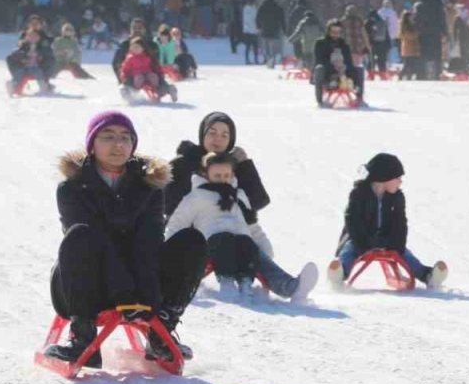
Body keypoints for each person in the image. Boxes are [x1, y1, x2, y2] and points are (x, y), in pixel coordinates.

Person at [45, 111, 207, 368]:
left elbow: (149, 241)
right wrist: (125, 293)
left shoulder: (149, 186)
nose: (118, 144)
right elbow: (97, 241)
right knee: (80, 236)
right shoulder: (72, 188)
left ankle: (162, 332)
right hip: (88, 283)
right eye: (108, 136)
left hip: (141, 281)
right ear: (92, 144)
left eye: (125, 138)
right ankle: (82, 336)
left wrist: (147, 295)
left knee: (192, 240)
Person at [165, 112, 317, 302]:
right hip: (192, 238)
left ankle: (290, 287)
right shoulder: (184, 162)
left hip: (232, 234)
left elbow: (257, 203)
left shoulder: (233, 166)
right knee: (226, 241)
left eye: (224, 135)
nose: (217, 139)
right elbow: (168, 207)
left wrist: (244, 166)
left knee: (247, 245)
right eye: (212, 132)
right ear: (202, 134)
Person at [327, 153, 449, 290]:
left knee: (405, 255)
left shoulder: (397, 197)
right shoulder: (359, 194)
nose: (400, 182)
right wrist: (363, 241)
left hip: (386, 240)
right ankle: (339, 274)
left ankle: (427, 275)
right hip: (360, 238)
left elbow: (400, 222)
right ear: (384, 177)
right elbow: (352, 219)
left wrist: (397, 243)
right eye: (398, 178)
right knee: (349, 251)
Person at [164, 151, 273, 299]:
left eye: (226, 175)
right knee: (224, 240)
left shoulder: (239, 196)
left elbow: (252, 226)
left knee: (247, 243)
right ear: (206, 174)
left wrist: (266, 249)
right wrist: (168, 250)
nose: (222, 179)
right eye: (217, 176)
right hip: (211, 245)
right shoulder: (197, 195)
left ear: (232, 175)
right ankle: (227, 283)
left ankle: (246, 283)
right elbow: (178, 222)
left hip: (240, 242)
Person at [313, 18, 365, 107]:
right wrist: (334, 70)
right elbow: (320, 60)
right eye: (333, 32)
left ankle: (359, 99)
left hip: (343, 74)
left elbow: (349, 62)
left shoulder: (344, 45)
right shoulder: (320, 43)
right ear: (328, 31)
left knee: (359, 69)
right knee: (319, 68)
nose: (336, 34)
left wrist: (346, 72)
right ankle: (320, 101)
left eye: (338, 32)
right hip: (327, 74)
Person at [119, 36, 178, 102]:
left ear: (143, 48)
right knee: (138, 78)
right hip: (136, 76)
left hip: (148, 74)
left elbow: (156, 66)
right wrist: (124, 77)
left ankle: (167, 89)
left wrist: (160, 74)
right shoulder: (130, 58)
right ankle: (128, 95)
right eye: (133, 47)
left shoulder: (148, 57)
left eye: (137, 47)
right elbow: (124, 69)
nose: (135, 49)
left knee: (153, 77)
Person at [6, 28, 55, 94]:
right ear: (26, 37)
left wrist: (40, 55)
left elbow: (49, 55)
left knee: (39, 74)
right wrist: (22, 56)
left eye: (35, 36)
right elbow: (14, 54)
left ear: (39, 37)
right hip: (24, 67)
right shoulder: (23, 45)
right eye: (30, 36)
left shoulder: (43, 46)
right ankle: (13, 86)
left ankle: (44, 87)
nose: (32, 38)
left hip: (37, 67)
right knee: (19, 75)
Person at [414, 0, 447, 80]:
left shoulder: (422, 4)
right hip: (436, 32)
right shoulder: (439, 4)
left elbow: (417, 18)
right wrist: (444, 31)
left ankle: (421, 75)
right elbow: (442, 18)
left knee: (423, 53)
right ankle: (437, 74)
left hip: (424, 32)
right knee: (437, 54)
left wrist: (418, 29)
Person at [256, 0, 286, 69]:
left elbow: (258, 17)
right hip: (275, 29)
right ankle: (273, 57)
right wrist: (284, 29)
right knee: (273, 45)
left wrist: (258, 26)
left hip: (265, 29)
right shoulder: (278, 7)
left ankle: (269, 58)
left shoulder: (262, 7)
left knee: (266, 45)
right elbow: (282, 19)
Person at [398, 10, 422, 80]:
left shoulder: (412, 24)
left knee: (411, 64)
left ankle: (409, 77)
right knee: (407, 64)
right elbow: (408, 35)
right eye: (410, 16)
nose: (412, 18)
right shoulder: (404, 25)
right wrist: (417, 34)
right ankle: (401, 75)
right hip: (408, 48)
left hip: (413, 48)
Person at [241, 0, 259, 64]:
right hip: (254, 30)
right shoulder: (254, 9)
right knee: (255, 46)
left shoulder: (245, 9)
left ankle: (247, 60)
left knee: (247, 46)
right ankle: (256, 60)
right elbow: (255, 19)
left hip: (247, 30)